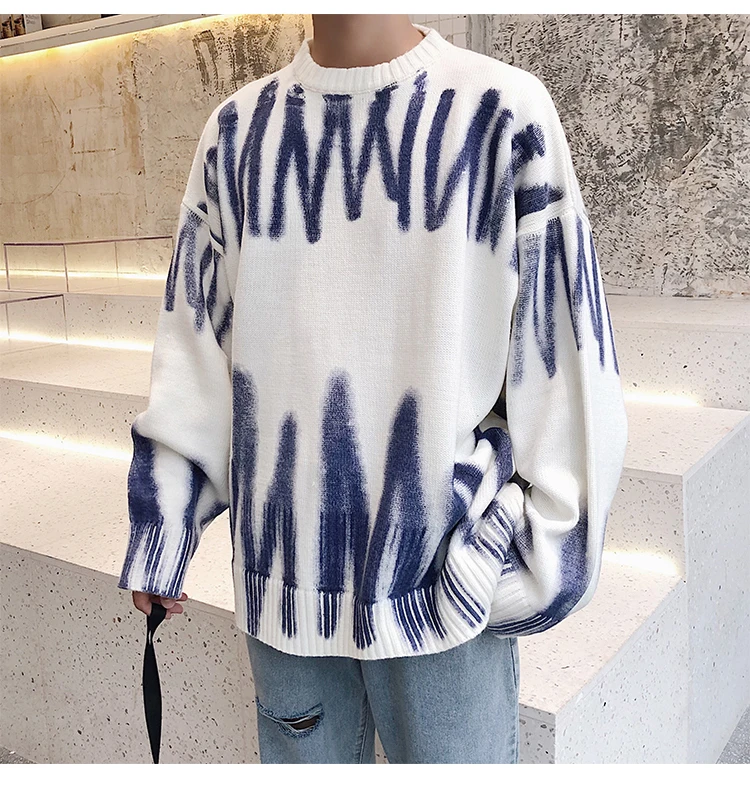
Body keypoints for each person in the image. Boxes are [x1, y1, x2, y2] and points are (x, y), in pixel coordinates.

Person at [119, 14, 628, 764]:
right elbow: (196, 343)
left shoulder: (502, 113)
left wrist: (524, 562)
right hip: (286, 592)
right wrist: (164, 528)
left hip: (442, 588)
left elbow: (563, 354)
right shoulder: (236, 133)